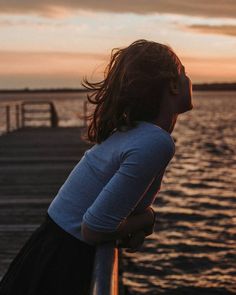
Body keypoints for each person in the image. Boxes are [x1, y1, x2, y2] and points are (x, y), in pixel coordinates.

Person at [0, 39, 193, 294]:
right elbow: (94, 229)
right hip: (63, 263)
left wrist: (138, 222)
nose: (191, 80)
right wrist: (148, 218)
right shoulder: (155, 141)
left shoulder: (131, 133)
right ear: (172, 84)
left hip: (47, 249)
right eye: (184, 73)